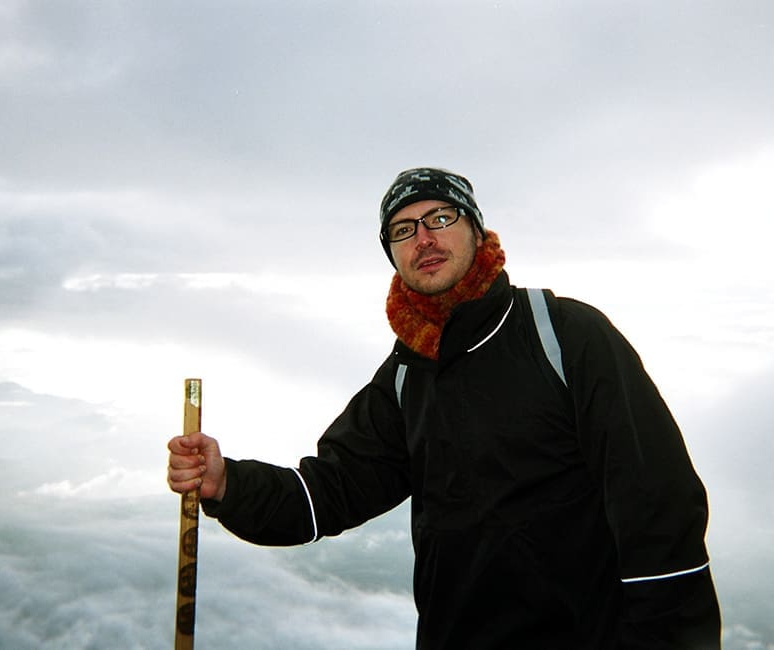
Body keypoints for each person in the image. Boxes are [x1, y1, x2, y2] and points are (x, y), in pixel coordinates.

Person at [167, 168, 722, 648]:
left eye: (440, 217)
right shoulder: (407, 374)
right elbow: (328, 492)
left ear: (476, 230)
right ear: (392, 255)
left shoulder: (564, 335)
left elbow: (660, 508)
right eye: (403, 230)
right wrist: (227, 484)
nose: (423, 238)